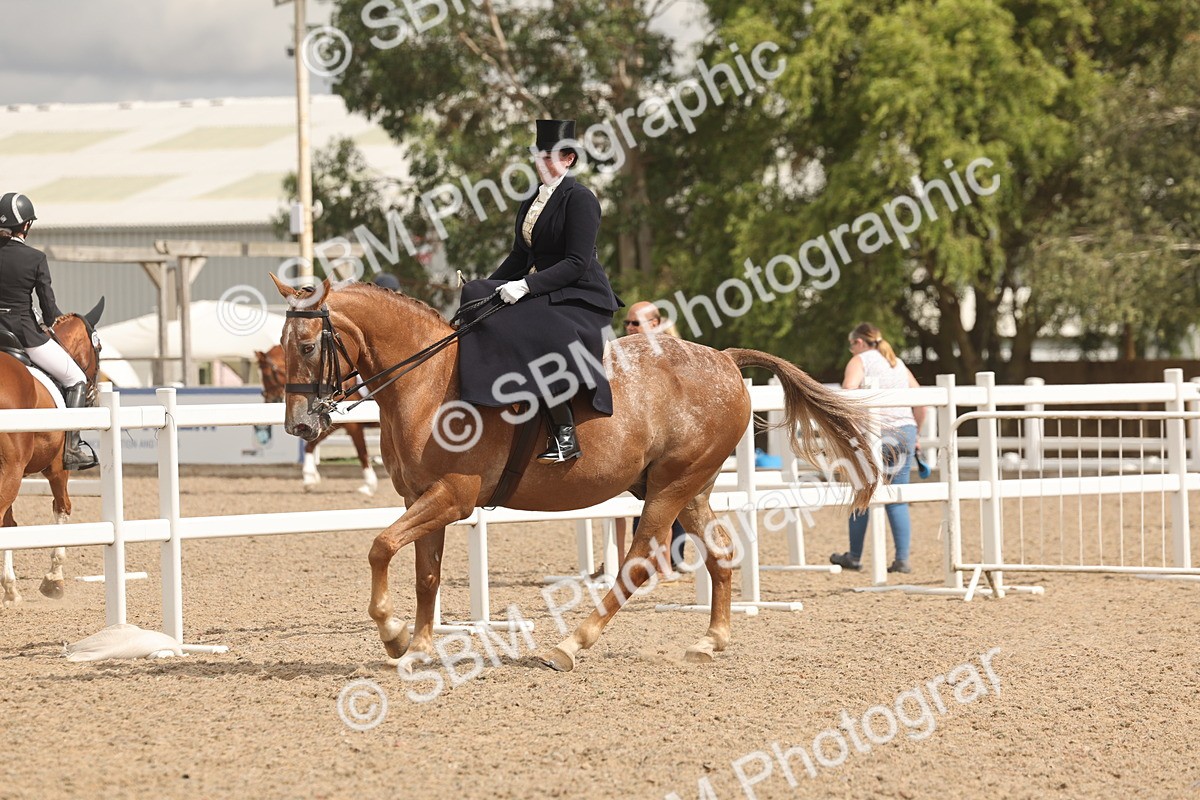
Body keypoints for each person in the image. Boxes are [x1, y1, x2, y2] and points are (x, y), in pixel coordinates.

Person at [455, 119, 621, 463]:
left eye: (549, 157)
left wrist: (526, 285)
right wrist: (485, 289)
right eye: (538, 156)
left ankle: (565, 433)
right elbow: (520, 256)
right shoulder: (532, 197)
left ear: (568, 159)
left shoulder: (580, 199)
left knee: (536, 330)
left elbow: (576, 262)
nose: (541, 162)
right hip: (545, 291)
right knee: (474, 296)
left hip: (580, 295)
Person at [0, 192, 96, 470]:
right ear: (26, 225)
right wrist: (50, 320)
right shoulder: (35, 258)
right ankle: (72, 449)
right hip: (24, 336)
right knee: (76, 378)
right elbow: (50, 312)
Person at [830, 323, 924, 573]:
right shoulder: (897, 363)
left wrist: (850, 432)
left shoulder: (860, 360)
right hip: (905, 432)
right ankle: (902, 559)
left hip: (876, 434)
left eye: (851, 345)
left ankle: (854, 556)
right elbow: (921, 402)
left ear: (860, 342)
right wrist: (916, 433)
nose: (851, 350)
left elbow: (849, 393)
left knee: (862, 493)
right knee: (898, 497)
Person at [612, 301, 686, 576]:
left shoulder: (670, 354)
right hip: (635, 435)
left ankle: (664, 563)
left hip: (664, 438)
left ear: (654, 324)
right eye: (627, 323)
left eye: (635, 323)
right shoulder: (622, 352)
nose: (629, 328)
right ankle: (618, 562)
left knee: (663, 503)